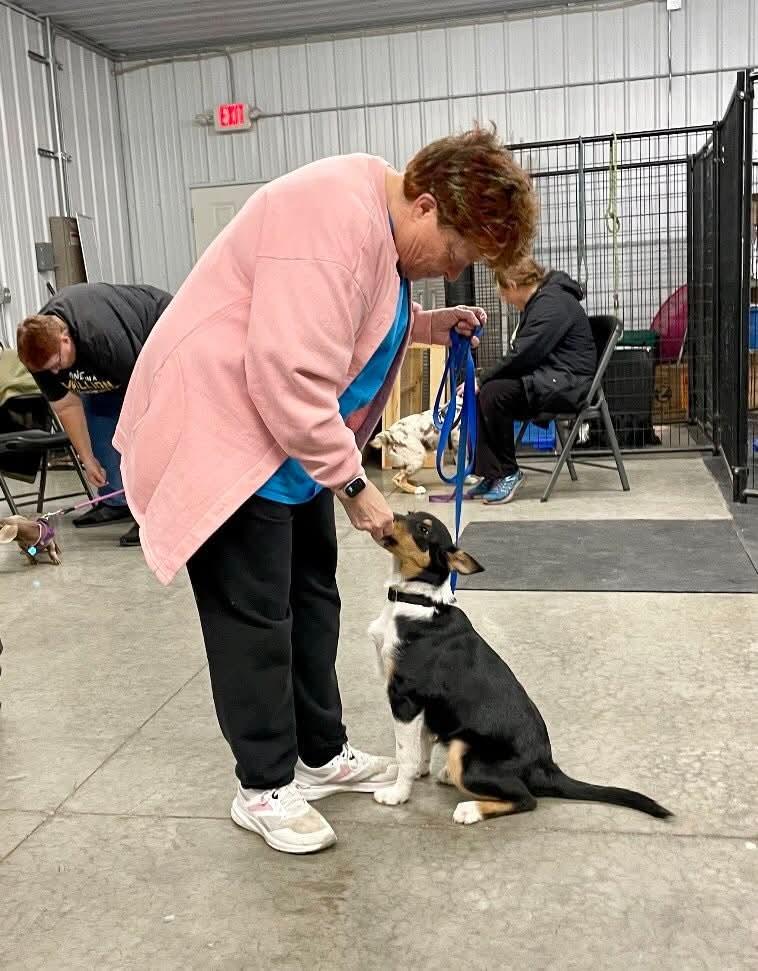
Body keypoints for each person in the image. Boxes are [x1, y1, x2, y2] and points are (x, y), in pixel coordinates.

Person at [114, 128, 537, 855]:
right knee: (254, 618)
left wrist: (427, 323)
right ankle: (264, 786)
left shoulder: (380, 219)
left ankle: (320, 753)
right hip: (231, 433)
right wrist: (353, 484)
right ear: (428, 205)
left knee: (312, 596)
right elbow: (288, 370)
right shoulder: (330, 219)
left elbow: (351, 315)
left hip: (292, 440)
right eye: (458, 253)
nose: (450, 269)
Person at [16, 282, 172, 546]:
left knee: (141, 435)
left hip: (157, 333)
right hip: (106, 367)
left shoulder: (102, 337)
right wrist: (87, 459)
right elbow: (66, 405)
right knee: (97, 414)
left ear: (64, 339)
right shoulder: (37, 350)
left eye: (56, 365)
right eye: (48, 370)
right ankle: (116, 500)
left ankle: (151, 512)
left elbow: (144, 403)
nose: (55, 374)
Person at [469, 259, 597, 504]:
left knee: (493, 393)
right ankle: (492, 473)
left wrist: (483, 378)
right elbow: (527, 355)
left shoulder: (551, 303)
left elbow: (526, 353)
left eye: (503, 293)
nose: (505, 300)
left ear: (513, 284)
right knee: (487, 390)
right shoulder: (545, 300)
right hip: (552, 377)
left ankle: (508, 473)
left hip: (568, 384)